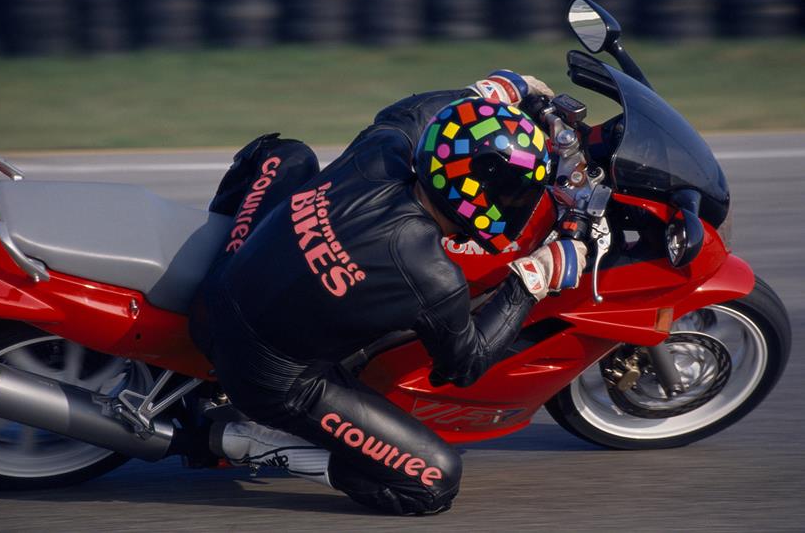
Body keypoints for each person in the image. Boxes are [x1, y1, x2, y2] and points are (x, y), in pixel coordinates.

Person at [189, 70, 588, 515]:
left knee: (286, 155)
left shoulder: (384, 149)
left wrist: (504, 91)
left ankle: (199, 244)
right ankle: (239, 440)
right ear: (482, 192)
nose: (520, 204)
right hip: (267, 378)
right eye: (516, 194)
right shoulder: (431, 274)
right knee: (433, 484)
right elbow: (464, 366)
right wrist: (531, 280)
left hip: (222, 282)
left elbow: (416, 111)